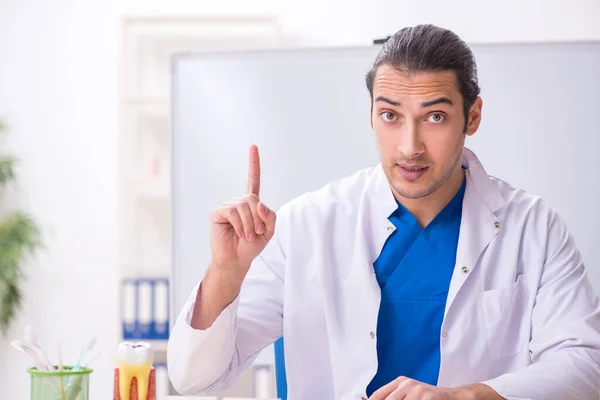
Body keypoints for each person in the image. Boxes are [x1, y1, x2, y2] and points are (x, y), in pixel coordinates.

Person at [167, 24, 600, 400]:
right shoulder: (308, 226)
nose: (409, 146)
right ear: (372, 114)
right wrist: (226, 271)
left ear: (473, 116)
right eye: (390, 115)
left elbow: (584, 366)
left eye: (434, 117)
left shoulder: (534, 228)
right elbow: (194, 379)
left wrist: (464, 397)